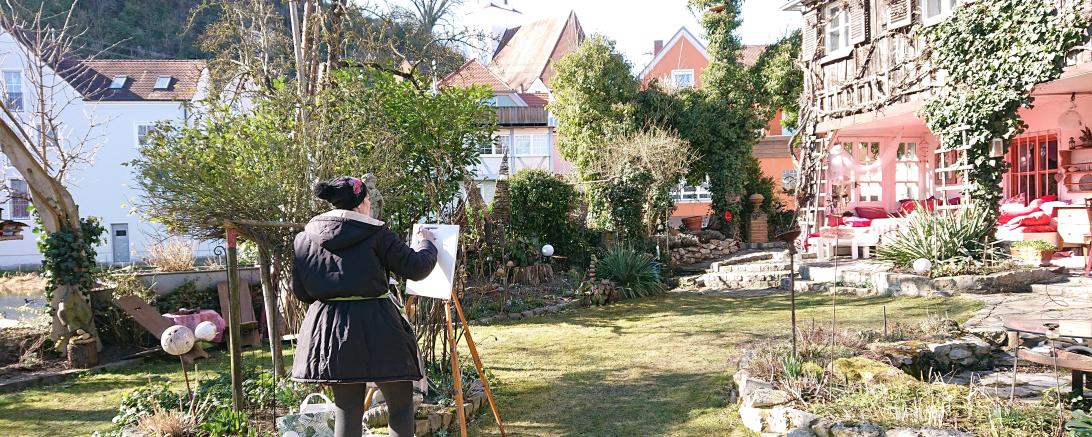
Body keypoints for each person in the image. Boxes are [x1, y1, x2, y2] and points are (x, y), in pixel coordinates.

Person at [291, 176, 437, 437]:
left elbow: (302, 292)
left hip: (329, 333)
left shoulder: (304, 240)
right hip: (378, 328)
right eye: (367, 199)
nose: (370, 203)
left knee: (346, 409)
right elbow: (416, 267)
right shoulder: (376, 233)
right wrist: (427, 243)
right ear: (358, 204)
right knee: (401, 405)